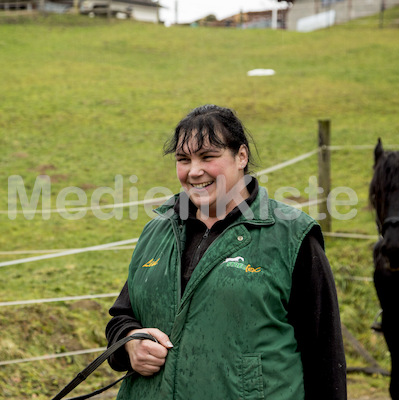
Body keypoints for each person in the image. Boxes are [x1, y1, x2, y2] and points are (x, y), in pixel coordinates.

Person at [105, 104, 347, 400]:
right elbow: (122, 316)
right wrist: (130, 343)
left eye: (208, 157)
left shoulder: (292, 237)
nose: (195, 171)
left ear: (241, 156)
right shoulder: (157, 230)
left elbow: (324, 355)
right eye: (183, 159)